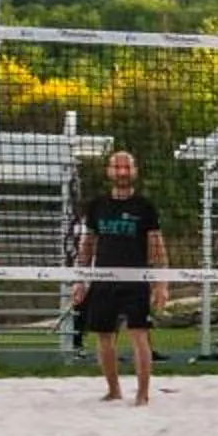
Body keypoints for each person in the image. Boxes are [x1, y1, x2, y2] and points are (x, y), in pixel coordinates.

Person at [74, 150, 168, 404]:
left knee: (139, 334)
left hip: (135, 279)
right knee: (104, 336)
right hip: (104, 278)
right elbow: (87, 244)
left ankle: (142, 394)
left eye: (127, 167)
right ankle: (114, 390)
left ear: (135, 171)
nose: (123, 172)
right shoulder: (97, 205)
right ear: (109, 171)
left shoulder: (144, 206)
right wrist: (79, 279)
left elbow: (156, 245)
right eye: (117, 167)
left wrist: (161, 283)